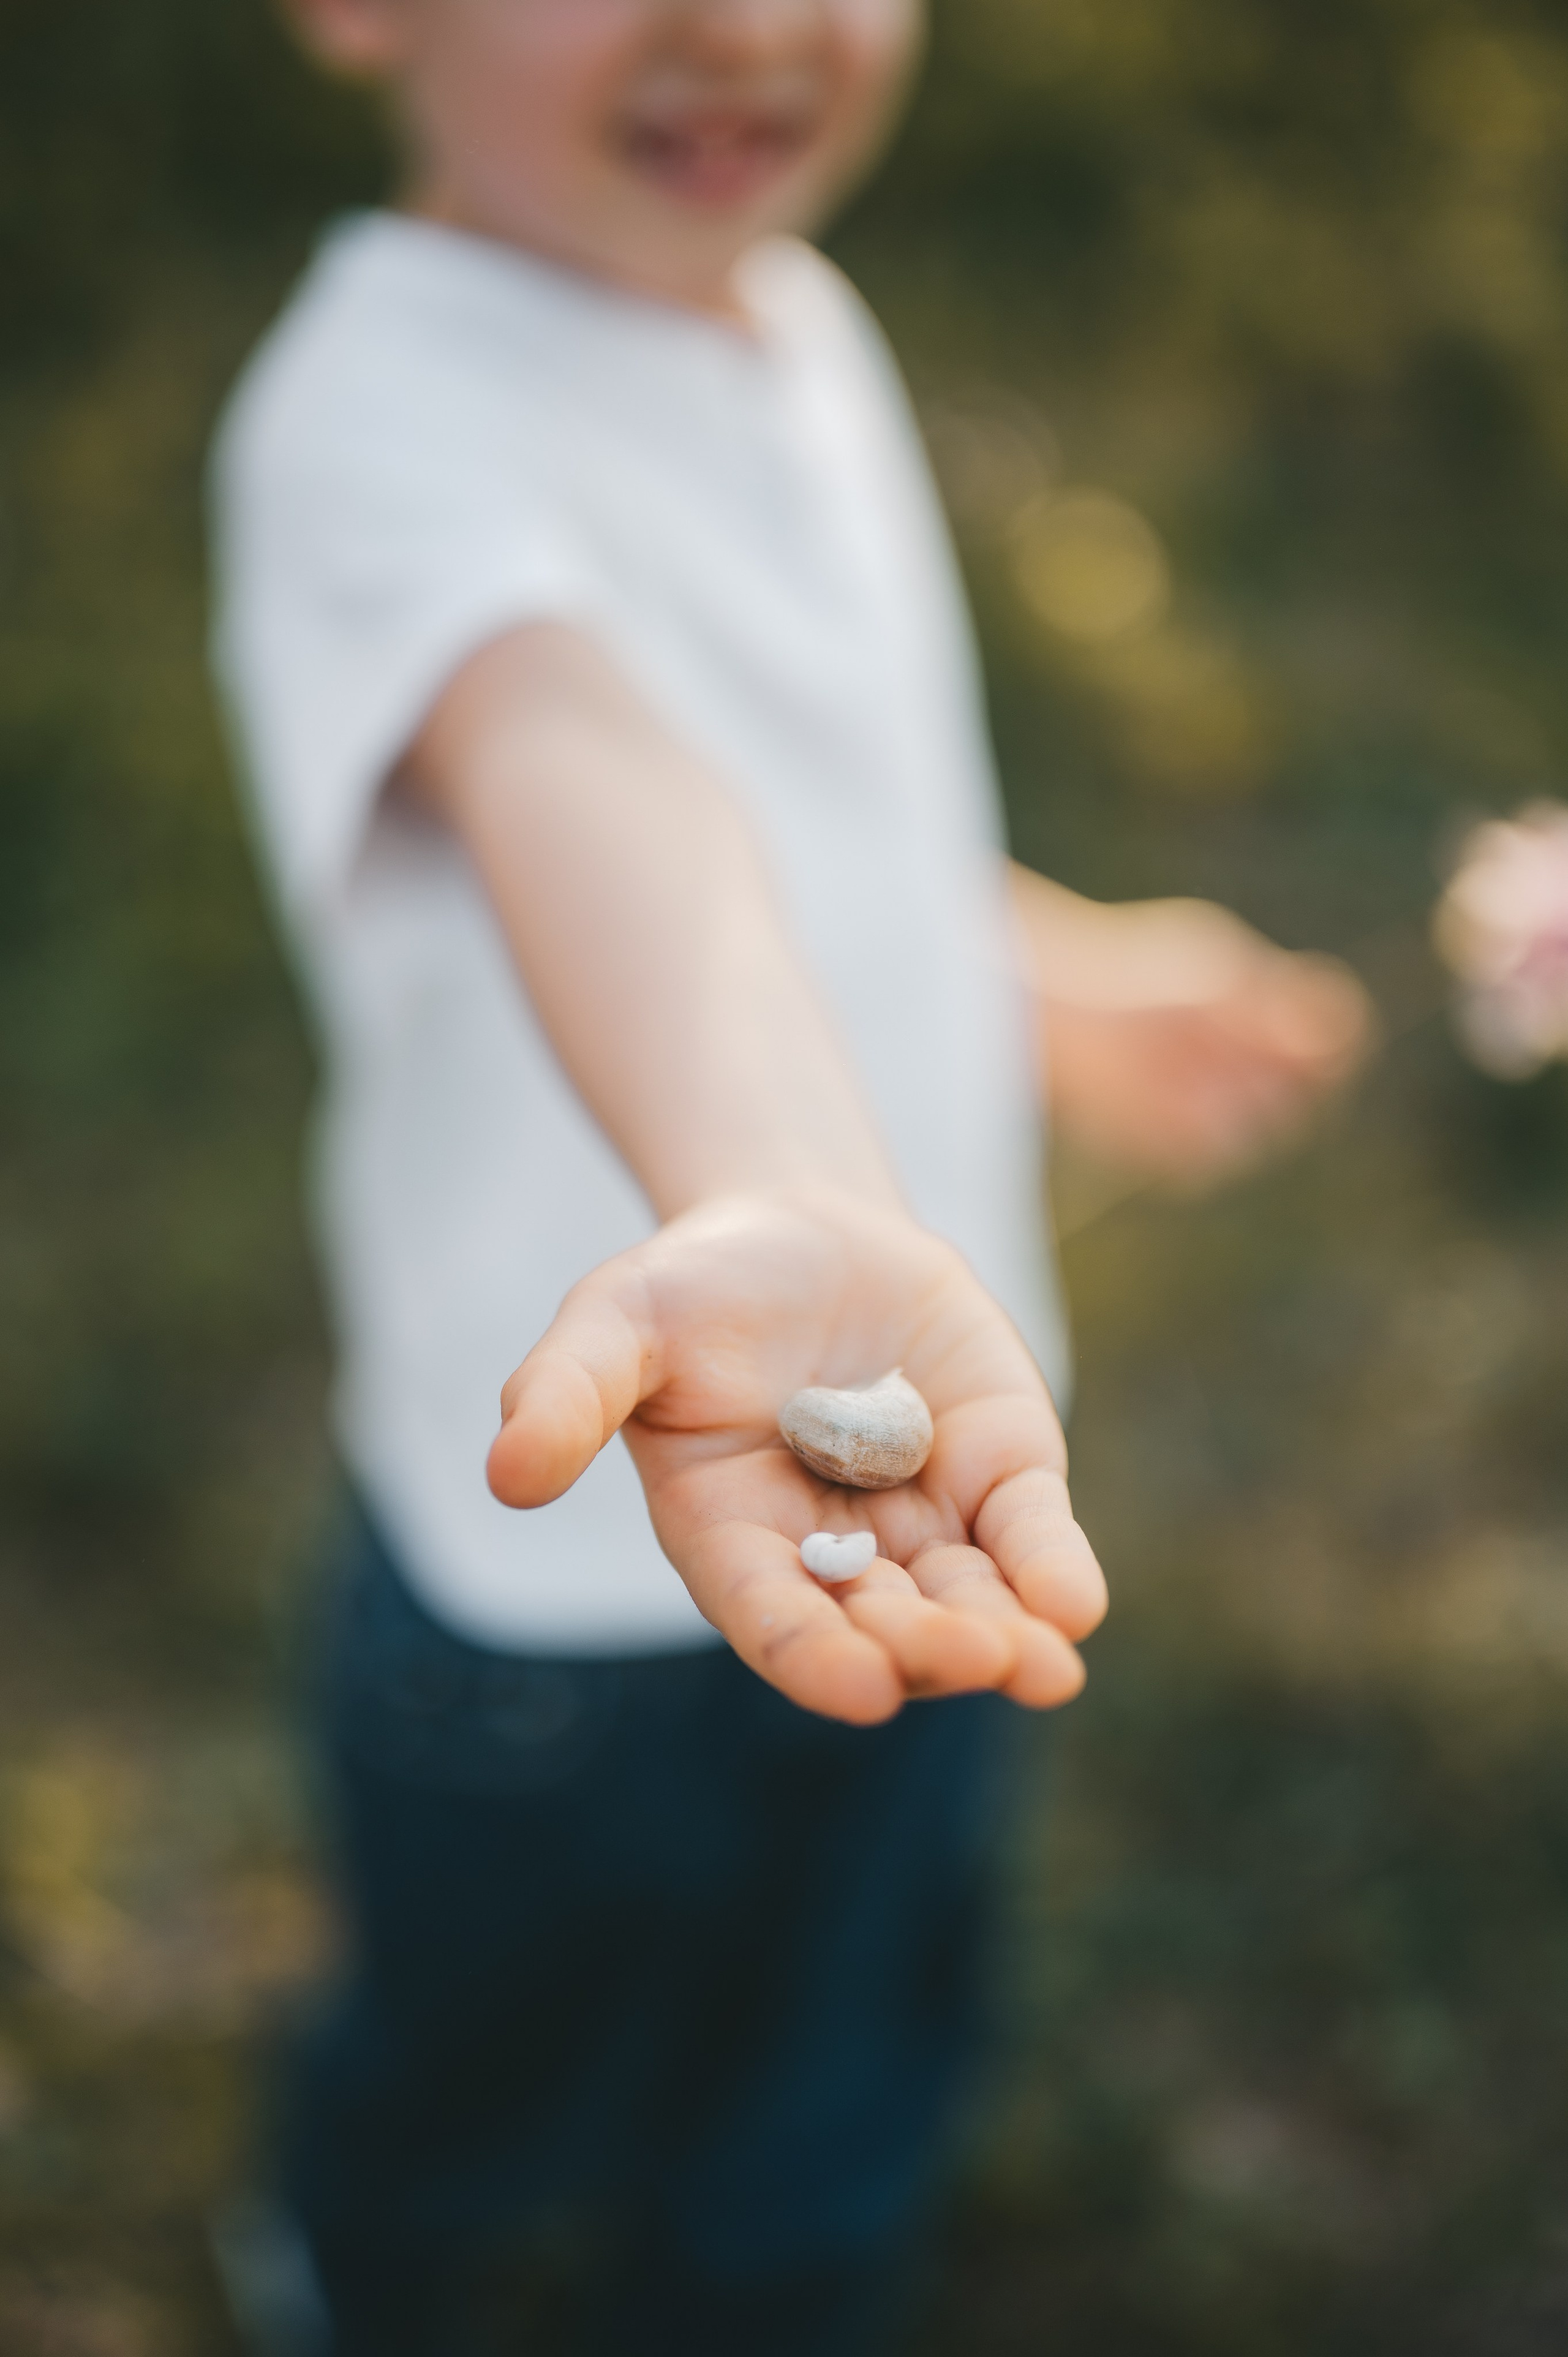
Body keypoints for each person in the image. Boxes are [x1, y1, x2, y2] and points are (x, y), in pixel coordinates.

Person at [208, 3, 1368, 2350]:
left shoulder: (788, 315)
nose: (741, 18)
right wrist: (777, 1177)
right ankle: (365, 2267)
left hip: (910, 1499)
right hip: (556, 1585)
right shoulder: (380, 427)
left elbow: (815, 818)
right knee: (482, 2062)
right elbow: (583, 772)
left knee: (841, 2084)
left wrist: (1032, 977)